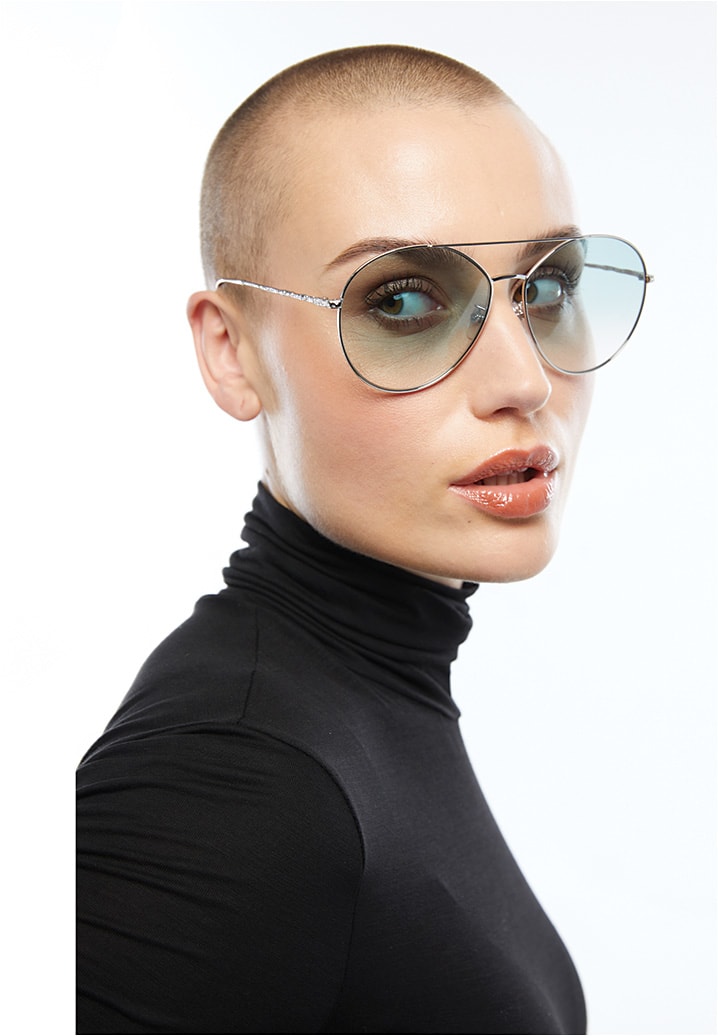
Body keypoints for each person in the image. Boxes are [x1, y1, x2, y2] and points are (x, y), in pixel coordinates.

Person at [76, 44, 651, 1034]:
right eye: (404, 301)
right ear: (231, 351)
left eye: (546, 288)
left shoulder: (347, 705)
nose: (523, 380)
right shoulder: (226, 782)